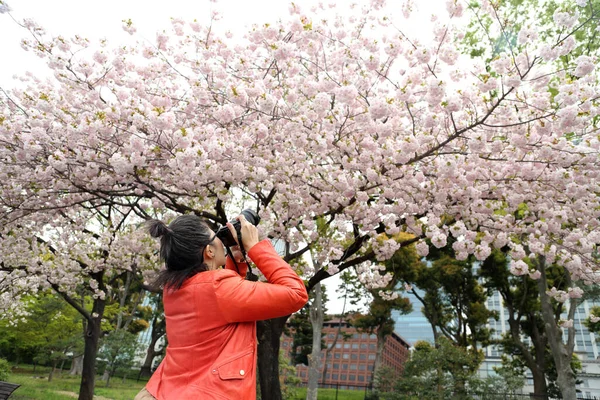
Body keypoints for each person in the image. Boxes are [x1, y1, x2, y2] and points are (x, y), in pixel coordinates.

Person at [134, 213, 308, 400]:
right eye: (216, 236)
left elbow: (220, 310)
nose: (220, 239)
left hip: (168, 391)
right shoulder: (219, 288)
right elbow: (296, 293)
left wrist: (236, 259)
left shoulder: (174, 289)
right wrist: (255, 248)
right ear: (209, 251)